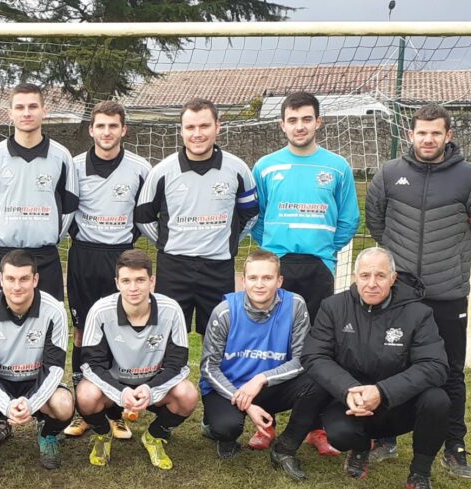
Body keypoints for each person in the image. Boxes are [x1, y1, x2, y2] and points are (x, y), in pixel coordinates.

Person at [365, 103, 471, 478]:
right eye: (422, 132)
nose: (428, 139)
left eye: (436, 132)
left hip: (448, 292)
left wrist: (451, 257)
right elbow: (377, 221)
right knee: (389, 364)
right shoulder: (389, 175)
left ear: (448, 136)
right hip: (400, 292)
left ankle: (455, 446)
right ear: (411, 135)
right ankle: (385, 436)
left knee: (450, 371)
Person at [294, 247, 450, 489]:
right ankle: (360, 448)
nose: (372, 283)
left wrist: (383, 392)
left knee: (438, 400)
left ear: (393, 278)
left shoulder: (418, 313)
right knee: (340, 435)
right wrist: (349, 389)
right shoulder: (333, 307)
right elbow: (313, 356)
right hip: (351, 403)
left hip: (397, 404)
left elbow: (436, 365)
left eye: (380, 275)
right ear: (355, 276)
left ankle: (420, 475)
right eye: (365, 275)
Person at [248, 91, 359, 454]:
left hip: (320, 267)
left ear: (318, 122)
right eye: (292, 120)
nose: (299, 126)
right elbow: (257, 219)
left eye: (306, 119)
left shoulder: (337, 166)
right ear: (282, 124)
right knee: (271, 344)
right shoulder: (265, 166)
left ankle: (314, 425)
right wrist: (275, 251)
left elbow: (348, 219)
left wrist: (325, 250)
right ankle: (265, 423)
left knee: (319, 346)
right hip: (278, 265)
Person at [62, 100, 151, 441]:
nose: (107, 132)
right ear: (91, 129)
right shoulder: (73, 166)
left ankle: (117, 412)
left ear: (124, 129)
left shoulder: (141, 168)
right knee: (83, 332)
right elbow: (66, 211)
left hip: (122, 257)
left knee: (121, 333)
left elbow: (146, 215)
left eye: (113, 126)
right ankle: (84, 410)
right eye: (100, 125)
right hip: (84, 256)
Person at [134, 98, 258, 339]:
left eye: (204, 126)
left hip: (218, 267)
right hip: (174, 267)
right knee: (165, 335)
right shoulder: (162, 171)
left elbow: (250, 213)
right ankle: (166, 378)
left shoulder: (238, 169)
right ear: (181, 131)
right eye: (190, 127)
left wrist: (229, 239)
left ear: (217, 127)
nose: (197, 134)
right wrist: (167, 241)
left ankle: (213, 378)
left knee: (219, 337)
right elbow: (143, 217)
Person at [199, 250, 326, 479]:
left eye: (267, 278)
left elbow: (302, 359)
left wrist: (261, 379)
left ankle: (285, 447)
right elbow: (209, 367)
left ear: (279, 281)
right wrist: (245, 403)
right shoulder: (225, 311)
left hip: (269, 386)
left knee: (317, 380)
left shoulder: (295, 305)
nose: (260, 284)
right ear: (243, 280)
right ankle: (217, 429)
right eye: (253, 278)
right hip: (231, 388)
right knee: (226, 427)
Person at [75, 249, 196, 470]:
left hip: (153, 384)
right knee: (85, 395)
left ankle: (154, 436)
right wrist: (120, 392)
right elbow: (91, 365)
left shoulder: (171, 309)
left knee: (187, 395)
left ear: (152, 281)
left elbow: (178, 364)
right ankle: (103, 435)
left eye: (140, 280)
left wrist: (150, 390)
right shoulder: (101, 311)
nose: (133, 288)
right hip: (114, 386)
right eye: (126, 280)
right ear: (117, 283)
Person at [0, 250, 74, 469]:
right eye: (11, 279)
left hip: (36, 381)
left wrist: (31, 403)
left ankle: (47, 433)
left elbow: (55, 368)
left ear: (35, 280)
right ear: (1, 279)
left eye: (24, 279)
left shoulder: (54, 310)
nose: (17, 286)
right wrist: (6, 405)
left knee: (64, 404)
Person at [0, 83, 80, 301]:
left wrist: (51, 236)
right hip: (4, 255)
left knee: (48, 327)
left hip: (45, 257)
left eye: (33, 106)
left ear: (44, 111)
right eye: (20, 107)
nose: (26, 113)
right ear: (10, 113)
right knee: (0, 328)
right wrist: (1, 231)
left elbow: (70, 206)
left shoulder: (62, 156)